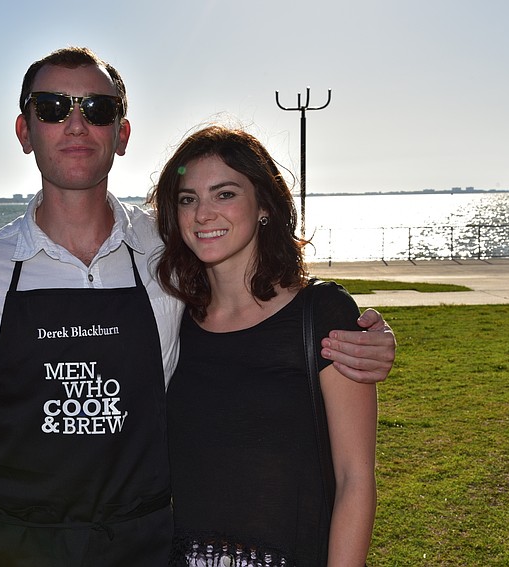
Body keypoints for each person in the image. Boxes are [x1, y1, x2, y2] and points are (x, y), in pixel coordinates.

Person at [0, 47, 394, 567]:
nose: (74, 124)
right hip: (8, 548)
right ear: (25, 131)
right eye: (51, 107)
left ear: (122, 133)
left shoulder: (169, 255)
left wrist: (368, 336)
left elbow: (263, 303)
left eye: (96, 109)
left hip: (141, 549)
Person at [151, 125, 378, 566]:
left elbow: (356, 479)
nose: (202, 214)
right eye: (187, 198)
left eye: (225, 194)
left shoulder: (322, 314)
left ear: (264, 207)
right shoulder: (174, 321)